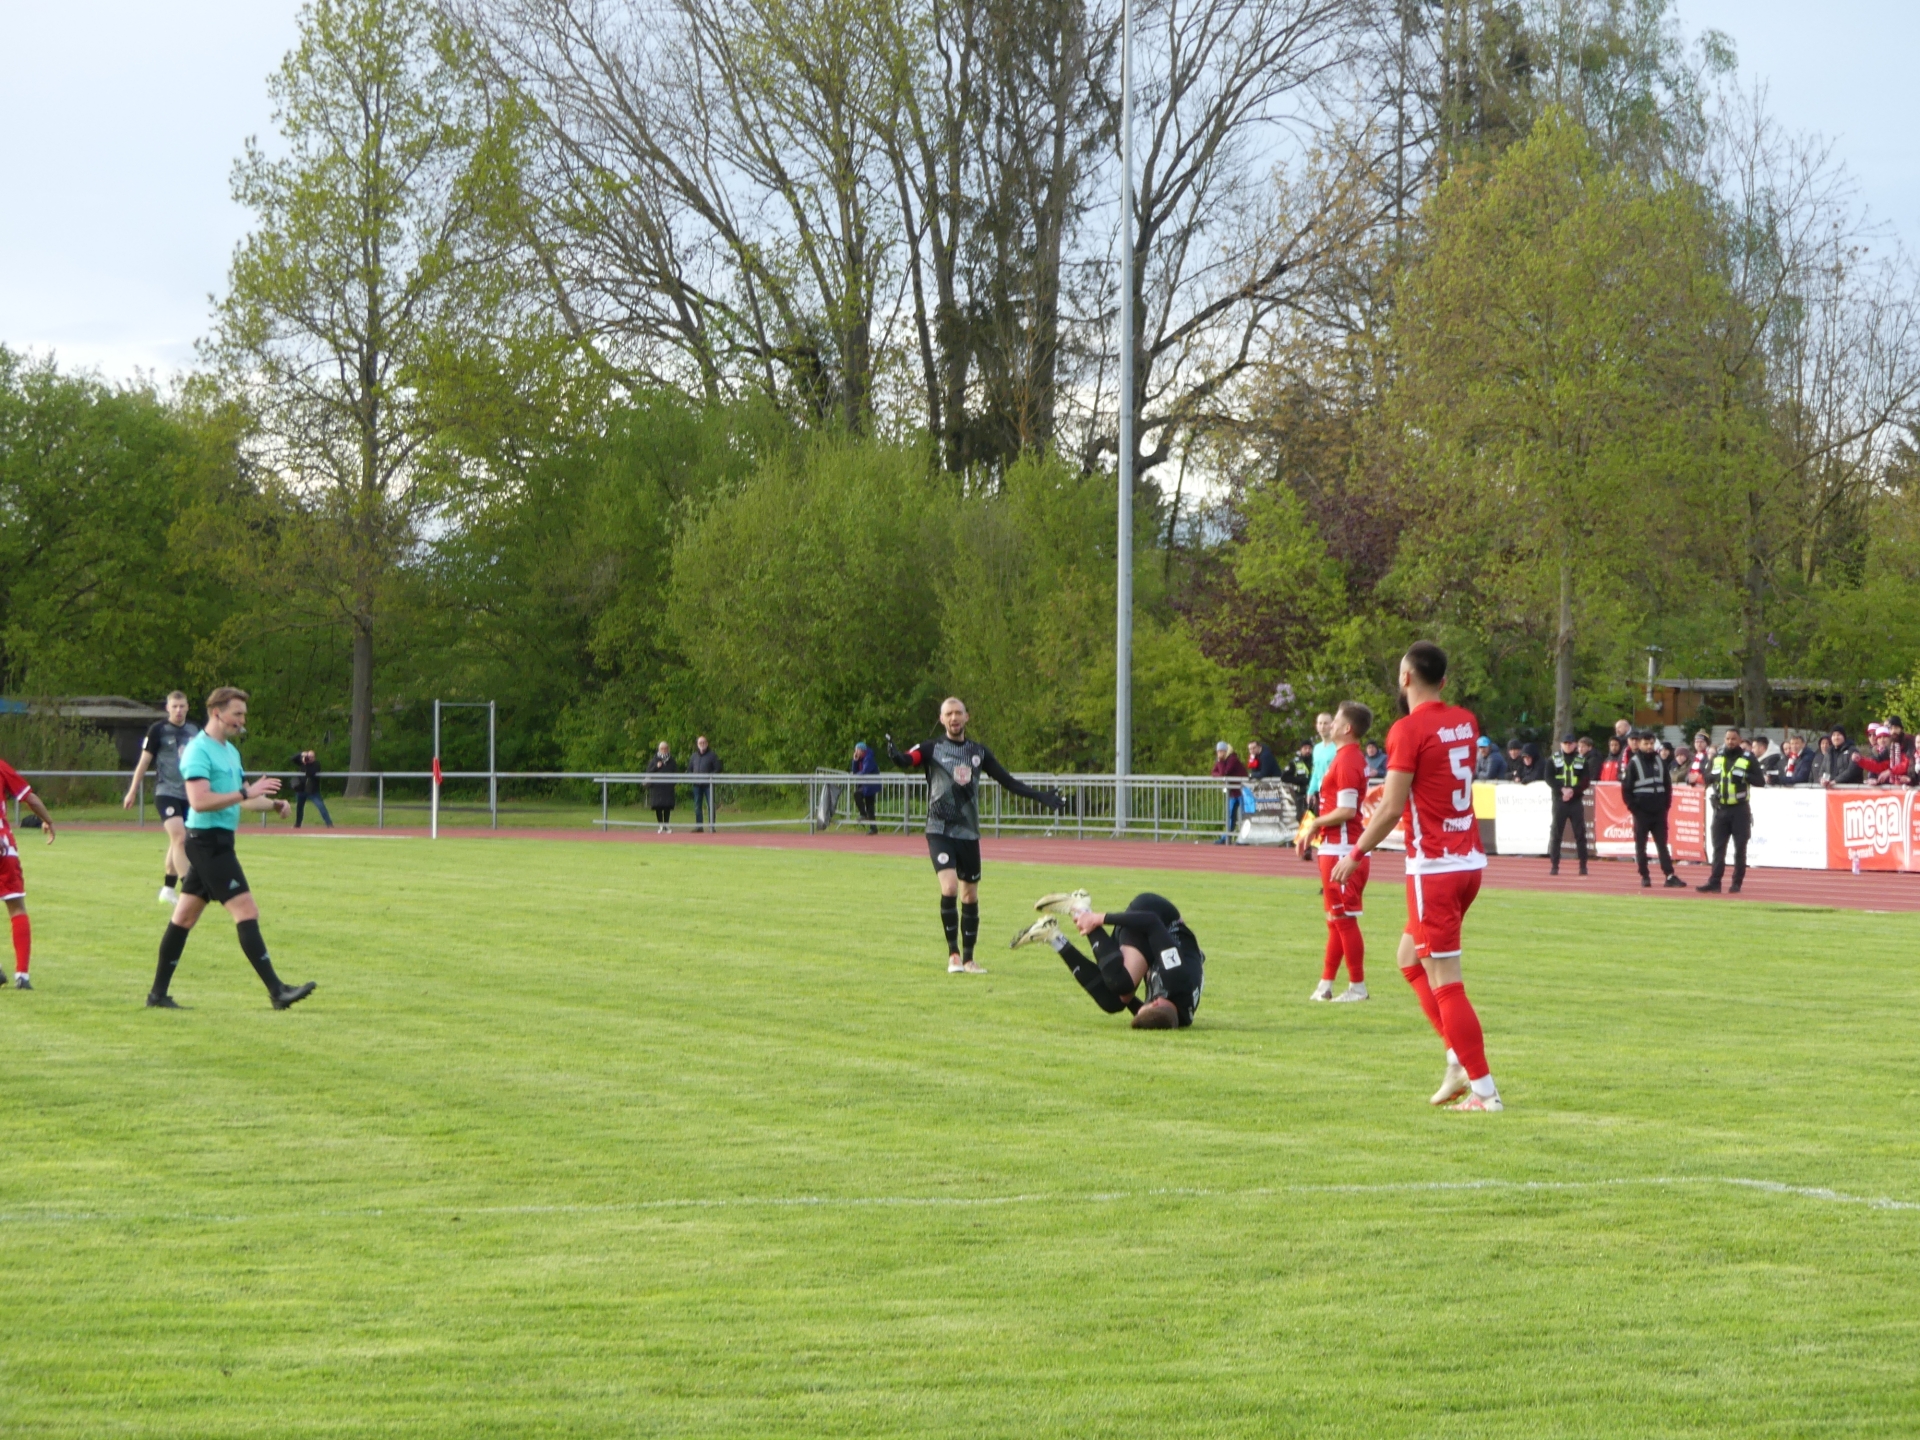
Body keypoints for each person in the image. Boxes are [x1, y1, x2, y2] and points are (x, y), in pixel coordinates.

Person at [1332, 641, 1502, 1112]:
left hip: (1435, 868)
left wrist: (1356, 852)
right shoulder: (1465, 720)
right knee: (1409, 957)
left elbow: (1391, 808)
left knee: (1446, 978)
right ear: (1443, 681)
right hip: (1468, 861)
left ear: (1405, 677)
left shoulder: (1406, 730)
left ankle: (1484, 1091)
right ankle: (1456, 1058)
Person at [146, 687, 314, 1011]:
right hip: (207, 843)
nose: (242, 720)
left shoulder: (230, 752)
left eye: (243, 715)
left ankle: (157, 995)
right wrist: (245, 793)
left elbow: (244, 798)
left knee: (183, 917)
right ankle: (277, 991)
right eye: (237, 714)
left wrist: (273, 803)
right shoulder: (198, 750)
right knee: (246, 910)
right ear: (217, 713)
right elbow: (199, 801)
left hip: (220, 840)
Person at [888, 697, 1066, 974]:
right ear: (941, 719)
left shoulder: (978, 752)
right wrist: (896, 756)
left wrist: (1041, 796)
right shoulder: (931, 748)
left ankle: (970, 960)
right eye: (948, 713)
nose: (954, 718)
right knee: (949, 888)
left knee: (969, 896)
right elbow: (909, 759)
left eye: (958, 713)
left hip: (968, 833)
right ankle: (954, 956)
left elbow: (1008, 781)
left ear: (966, 717)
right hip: (939, 830)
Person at [1009, 888, 1203, 1029]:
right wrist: (1099, 918)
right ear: (1156, 1003)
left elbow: (1140, 1009)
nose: (1141, 1007)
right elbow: (1152, 922)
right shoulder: (1175, 974)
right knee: (1121, 982)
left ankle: (1052, 936)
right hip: (1156, 913)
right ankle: (1080, 908)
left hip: (1150, 941)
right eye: (1144, 1007)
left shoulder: (1175, 1018)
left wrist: (1124, 999)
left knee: (1113, 1002)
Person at [1297, 700, 1373, 1003]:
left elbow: (1347, 810)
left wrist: (1315, 824)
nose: (1331, 725)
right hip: (1336, 847)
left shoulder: (1348, 760)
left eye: (1337, 720)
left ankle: (1357, 986)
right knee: (1336, 921)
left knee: (1343, 920)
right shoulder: (1345, 757)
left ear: (1347, 728)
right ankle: (1325, 985)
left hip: (1343, 849)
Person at [122, 690, 200, 902]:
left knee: (178, 842)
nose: (178, 710)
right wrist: (132, 791)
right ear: (167, 708)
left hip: (189, 794)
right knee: (179, 838)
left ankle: (167, 889)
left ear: (187, 707)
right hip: (166, 792)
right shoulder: (158, 730)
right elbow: (144, 762)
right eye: (174, 706)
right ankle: (189, 889)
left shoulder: (195, 730)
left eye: (182, 706)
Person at [0, 756, 55, 989]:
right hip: (4, 845)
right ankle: (22, 975)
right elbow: (28, 797)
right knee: (16, 907)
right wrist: (48, 820)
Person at [1620, 729, 1685, 889]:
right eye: (1646, 743)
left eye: (1651, 743)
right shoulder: (1634, 763)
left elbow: (1667, 785)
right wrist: (1635, 809)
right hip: (1641, 812)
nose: (1649, 746)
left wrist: (1666, 806)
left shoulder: (1660, 762)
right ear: (1639, 744)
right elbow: (1626, 789)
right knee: (1641, 846)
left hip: (1659, 812)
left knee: (1662, 845)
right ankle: (1645, 875)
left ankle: (1669, 875)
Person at [1698, 728, 1758, 895]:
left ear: (1739, 740)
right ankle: (1714, 882)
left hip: (1740, 810)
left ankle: (1736, 883)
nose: (1730, 742)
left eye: (1733, 739)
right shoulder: (1717, 757)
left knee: (1740, 849)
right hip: (1720, 809)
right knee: (1718, 848)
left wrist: (1744, 776)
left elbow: (1760, 780)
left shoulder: (1748, 758)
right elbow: (1706, 777)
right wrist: (1712, 777)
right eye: (1728, 738)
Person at [1546, 732, 1592, 877]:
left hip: (1575, 801)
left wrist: (1573, 791)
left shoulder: (1582, 760)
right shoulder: (1553, 759)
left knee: (1580, 834)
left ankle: (1583, 866)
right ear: (1561, 744)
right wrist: (1562, 789)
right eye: (1565, 743)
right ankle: (1554, 866)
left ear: (1575, 744)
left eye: (1570, 743)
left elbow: (1585, 779)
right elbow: (1548, 777)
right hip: (1559, 801)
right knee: (1556, 833)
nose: (1568, 745)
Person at [1211, 740, 1248, 845]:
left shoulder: (1232, 759)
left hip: (1242, 791)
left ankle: (1245, 838)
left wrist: (1220, 762)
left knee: (1244, 816)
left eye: (1221, 751)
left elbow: (1224, 772)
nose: (1219, 754)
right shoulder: (1222, 761)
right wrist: (1220, 771)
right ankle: (1226, 837)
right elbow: (1214, 772)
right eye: (1218, 751)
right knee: (1230, 816)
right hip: (1232, 792)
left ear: (1225, 751)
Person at [289, 750, 334, 828]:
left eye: (311, 757)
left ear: (314, 758)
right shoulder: (302, 762)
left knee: (320, 806)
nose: (309, 758)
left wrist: (306, 764)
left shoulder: (316, 764)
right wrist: (301, 754)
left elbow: (311, 773)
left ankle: (329, 823)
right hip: (301, 790)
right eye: (308, 756)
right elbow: (292, 758)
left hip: (312, 791)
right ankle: (298, 824)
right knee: (299, 808)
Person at [688, 735, 722, 832]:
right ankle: (699, 826)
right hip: (697, 785)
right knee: (697, 805)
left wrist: (710, 776)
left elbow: (718, 768)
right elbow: (689, 769)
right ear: (697, 744)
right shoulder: (694, 756)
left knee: (711, 805)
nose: (702, 744)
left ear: (707, 743)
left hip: (708, 785)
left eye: (704, 742)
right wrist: (692, 776)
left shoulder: (712, 755)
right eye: (700, 743)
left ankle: (711, 826)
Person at [1305, 712, 1337, 815]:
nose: (1322, 727)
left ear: (1332, 725)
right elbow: (1316, 772)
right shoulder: (1317, 748)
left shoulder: (1337, 746)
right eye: (1320, 723)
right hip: (1320, 793)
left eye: (1325, 723)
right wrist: (1311, 791)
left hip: (1334, 793)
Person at [645, 741, 677, 831]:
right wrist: (656, 766)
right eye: (662, 748)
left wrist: (672, 783)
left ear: (668, 749)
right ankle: (660, 825)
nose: (664, 750)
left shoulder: (671, 760)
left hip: (668, 788)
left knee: (667, 806)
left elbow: (675, 773)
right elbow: (648, 772)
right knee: (658, 806)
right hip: (657, 788)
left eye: (665, 748)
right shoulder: (654, 760)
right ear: (659, 749)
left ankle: (666, 825)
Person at [850, 741, 881, 834]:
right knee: (866, 803)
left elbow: (865, 772)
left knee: (867, 804)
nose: (856, 752)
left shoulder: (868, 758)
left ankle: (866, 818)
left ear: (862, 750)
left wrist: (855, 775)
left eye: (857, 750)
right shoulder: (860, 759)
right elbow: (854, 771)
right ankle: (872, 826)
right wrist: (855, 760)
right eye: (855, 750)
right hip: (865, 784)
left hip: (871, 785)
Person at [1279, 741, 1314, 818]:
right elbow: (1284, 777)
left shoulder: (1316, 760)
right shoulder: (1294, 762)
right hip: (1301, 794)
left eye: (1309, 748)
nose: (1308, 750)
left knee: (1316, 817)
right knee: (1301, 817)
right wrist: (1300, 780)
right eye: (1305, 748)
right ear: (1301, 749)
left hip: (1315, 794)